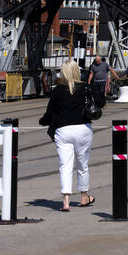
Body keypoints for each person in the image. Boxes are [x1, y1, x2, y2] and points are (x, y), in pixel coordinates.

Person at [40, 59, 94, 212]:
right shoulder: (84, 88)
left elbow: (50, 113)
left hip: (63, 131)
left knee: (65, 165)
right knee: (83, 165)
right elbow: (96, 103)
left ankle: (66, 201)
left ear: (63, 72)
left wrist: (43, 121)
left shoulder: (57, 90)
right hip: (83, 129)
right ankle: (84, 197)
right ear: (77, 71)